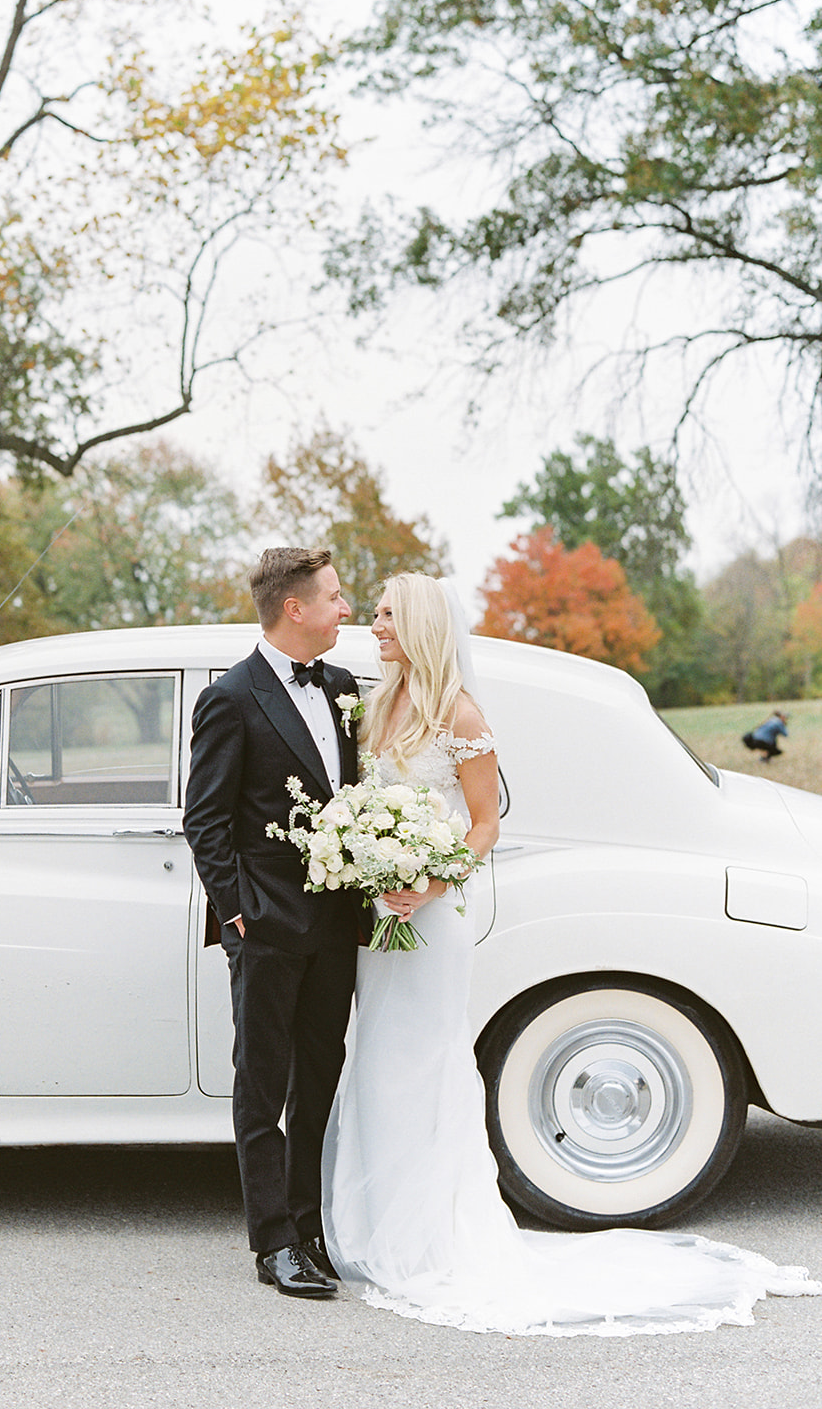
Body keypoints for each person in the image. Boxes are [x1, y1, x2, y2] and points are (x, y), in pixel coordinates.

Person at [321, 571, 820, 1335]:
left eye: (385, 615)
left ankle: (428, 1233)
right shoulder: (378, 704)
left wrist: (424, 881)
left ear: (417, 623)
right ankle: (375, 1222)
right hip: (381, 920)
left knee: (427, 1061)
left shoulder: (458, 711)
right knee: (380, 1059)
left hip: (432, 917)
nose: (374, 625)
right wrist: (370, 865)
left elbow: (482, 823)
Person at [184, 547, 361, 1299]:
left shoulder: (343, 687)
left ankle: (309, 1226)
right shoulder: (231, 697)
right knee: (262, 1083)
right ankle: (273, 1244)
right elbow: (205, 820)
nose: (345, 608)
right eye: (333, 596)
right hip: (264, 926)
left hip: (334, 923)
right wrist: (236, 914)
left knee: (320, 1075)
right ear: (294, 609)